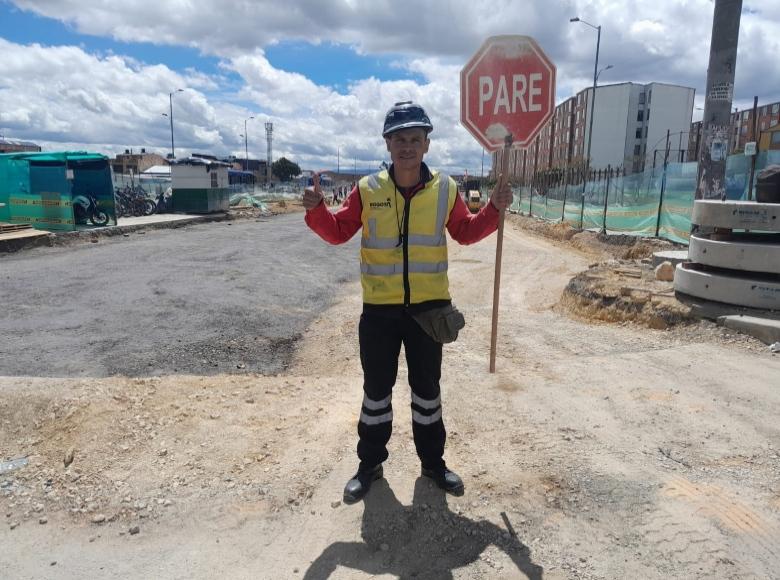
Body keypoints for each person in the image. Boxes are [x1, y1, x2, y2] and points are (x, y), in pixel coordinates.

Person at [303, 101, 512, 504]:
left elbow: (466, 232)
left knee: (427, 391)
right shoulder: (368, 190)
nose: (407, 146)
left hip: (428, 312)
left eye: (415, 139)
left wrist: (493, 209)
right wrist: (317, 213)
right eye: (399, 139)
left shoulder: (445, 189)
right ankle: (369, 465)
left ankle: (433, 464)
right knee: (376, 393)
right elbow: (338, 231)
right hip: (379, 314)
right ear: (387, 143)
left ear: (426, 145)